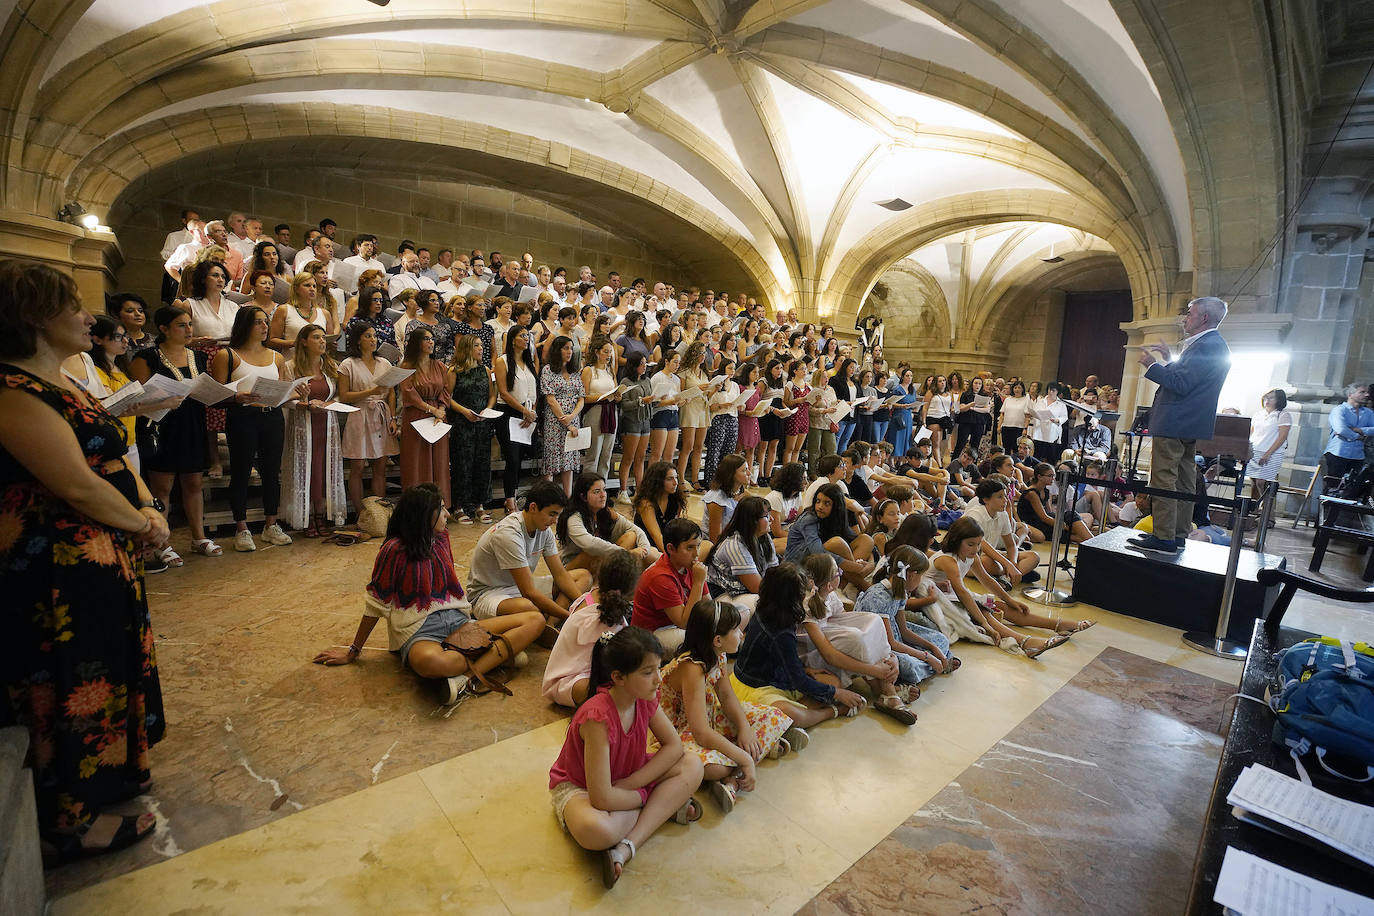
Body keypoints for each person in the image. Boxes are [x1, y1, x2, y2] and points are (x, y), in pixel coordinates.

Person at [0, 260, 168, 863]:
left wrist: (147, 504)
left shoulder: (64, 379)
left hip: (101, 548)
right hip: (54, 562)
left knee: (106, 658)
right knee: (72, 674)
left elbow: (114, 456)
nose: (87, 315)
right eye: (72, 305)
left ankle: (112, 774)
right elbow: (73, 482)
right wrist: (142, 522)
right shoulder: (13, 391)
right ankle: (68, 819)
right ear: (34, 317)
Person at [314, 484, 543, 704]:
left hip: (458, 622)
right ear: (423, 515)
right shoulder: (393, 549)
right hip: (419, 630)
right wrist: (353, 651)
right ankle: (496, 654)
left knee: (535, 620)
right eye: (441, 509)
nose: (447, 514)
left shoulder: (442, 537)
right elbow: (376, 603)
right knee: (433, 663)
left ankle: (465, 678)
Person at [547, 627, 703, 889]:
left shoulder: (644, 697)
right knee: (598, 831)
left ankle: (627, 846)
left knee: (693, 764)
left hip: (626, 778)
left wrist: (632, 784)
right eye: (647, 672)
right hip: (582, 788)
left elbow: (674, 747)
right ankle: (660, 808)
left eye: (658, 668)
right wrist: (643, 795)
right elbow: (601, 798)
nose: (658, 679)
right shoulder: (597, 717)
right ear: (618, 677)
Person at [655, 599, 794, 814]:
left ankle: (734, 774)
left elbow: (727, 697)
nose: (741, 634)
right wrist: (744, 759)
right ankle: (745, 762)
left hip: (710, 717)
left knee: (774, 715)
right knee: (715, 768)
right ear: (717, 640)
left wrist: (745, 728)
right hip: (679, 732)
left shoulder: (718, 654)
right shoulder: (692, 668)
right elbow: (700, 732)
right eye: (736, 630)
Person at [1132, 296, 1231, 554]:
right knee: (1184, 481)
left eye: (1190, 314)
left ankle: (1163, 536)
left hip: (1174, 422)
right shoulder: (1213, 344)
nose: (1185, 319)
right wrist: (1168, 360)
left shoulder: (1205, 345)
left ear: (1204, 318)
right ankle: (1177, 534)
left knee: (1164, 479)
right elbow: (1188, 378)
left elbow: (1181, 384)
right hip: (1188, 423)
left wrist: (1153, 366)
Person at [128, 305, 218, 563]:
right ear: (164, 329)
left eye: (190, 324)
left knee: (193, 482)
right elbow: (138, 397)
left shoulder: (197, 356)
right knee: (162, 486)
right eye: (181, 325)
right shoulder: (147, 357)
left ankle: (199, 537)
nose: (188, 329)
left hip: (192, 422)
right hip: (162, 425)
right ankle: (162, 543)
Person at [730, 564, 866, 734]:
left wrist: (806, 670)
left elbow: (784, 663)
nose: (812, 591)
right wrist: (838, 694)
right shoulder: (781, 630)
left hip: (776, 677)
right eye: (806, 591)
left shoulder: (768, 608)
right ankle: (831, 712)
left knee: (833, 682)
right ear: (793, 598)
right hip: (757, 687)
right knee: (796, 712)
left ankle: (790, 723)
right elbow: (799, 681)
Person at [931, 517, 1088, 656]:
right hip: (935, 597)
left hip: (949, 594)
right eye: (970, 544)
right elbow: (962, 592)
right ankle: (1025, 642)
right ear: (956, 541)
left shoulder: (971, 556)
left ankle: (1057, 625)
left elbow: (987, 580)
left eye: (978, 544)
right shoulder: (948, 560)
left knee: (1001, 607)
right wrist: (984, 623)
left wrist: (1010, 600)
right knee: (985, 612)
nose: (975, 549)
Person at [211, 306, 296, 551]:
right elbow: (215, 396)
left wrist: (296, 391)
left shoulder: (276, 357)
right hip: (242, 417)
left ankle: (271, 524)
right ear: (245, 325)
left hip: (272, 416)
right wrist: (235, 397)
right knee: (241, 472)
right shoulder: (227, 355)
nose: (264, 326)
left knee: (271, 472)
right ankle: (241, 527)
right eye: (258, 322)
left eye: (266, 321)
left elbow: (282, 391)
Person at [802, 553, 918, 724]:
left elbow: (850, 621)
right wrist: (875, 670)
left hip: (829, 644)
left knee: (873, 620)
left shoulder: (830, 595)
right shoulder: (807, 605)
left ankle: (885, 688)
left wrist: (890, 656)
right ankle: (886, 690)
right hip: (812, 655)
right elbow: (829, 655)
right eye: (839, 572)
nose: (842, 573)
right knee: (855, 638)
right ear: (828, 584)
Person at [466, 481, 592, 628]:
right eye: (552, 514)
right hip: (489, 594)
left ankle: (550, 626)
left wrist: (589, 606)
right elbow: (528, 592)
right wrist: (572, 616)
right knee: (528, 607)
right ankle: (552, 622)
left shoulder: (544, 530)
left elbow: (560, 575)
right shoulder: (509, 533)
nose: (555, 521)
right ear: (533, 507)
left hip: (518, 587)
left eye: (558, 515)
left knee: (583, 577)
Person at [543, 549, 638, 708]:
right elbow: (611, 660)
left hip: (584, 674)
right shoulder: (602, 617)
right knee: (625, 686)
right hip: (565, 683)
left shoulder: (592, 597)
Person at [282, 324, 346, 536]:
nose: (322, 341)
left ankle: (321, 514)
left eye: (323, 338)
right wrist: (304, 404)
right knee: (308, 470)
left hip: (327, 425)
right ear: (303, 341)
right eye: (316, 337)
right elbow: (284, 399)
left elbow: (340, 394)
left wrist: (329, 403)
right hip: (303, 425)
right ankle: (306, 516)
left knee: (324, 470)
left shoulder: (330, 366)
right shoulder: (291, 367)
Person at [337, 322, 400, 520]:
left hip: (381, 414)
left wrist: (392, 417)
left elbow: (391, 393)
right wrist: (371, 391)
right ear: (358, 340)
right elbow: (344, 396)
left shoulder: (384, 363)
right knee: (357, 467)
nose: (373, 340)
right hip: (359, 413)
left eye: (374, 335)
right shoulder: (348, 364)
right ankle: (360, 513)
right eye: (368, 336)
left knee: (380, 466)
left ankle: (379, 514)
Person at [632, 518, 708, 655]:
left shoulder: (691, 565)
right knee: (701, 640)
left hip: (676, 626)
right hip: (651, 635)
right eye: (690, 547)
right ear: (671, 548)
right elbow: (684, 622)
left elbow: (709, 606)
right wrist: (698, 583)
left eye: (698, 546)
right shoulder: (660, 577)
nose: (697, 554)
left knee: (736, 615)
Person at [557, 473, 658, 573]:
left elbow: (635, 529)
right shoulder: (574, 518)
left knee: (633, 538)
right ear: (583, 497)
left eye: (604, 489)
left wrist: (644, 548)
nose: (603, 495)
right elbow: (590, 545)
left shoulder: (606, 512)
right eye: (596, 492)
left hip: (601, 562)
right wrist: (627, 553)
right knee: (592, 553)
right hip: (572, 569)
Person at [785, 483, 875, 591]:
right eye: (818, 501)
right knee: (837, 543)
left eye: (826, 503)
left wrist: (870, 563)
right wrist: (857, 567)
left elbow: (854, 537)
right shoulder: (809, 519)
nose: (820, 506)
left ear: (836, 506)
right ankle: (864, 586)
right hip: (798, 565)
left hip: (825, 563)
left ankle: (846, 585)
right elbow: (817, 551)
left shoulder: (836, 517)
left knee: (866, 540)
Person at [446, 333, 496, 525]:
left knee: (482, 464)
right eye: (476, 345)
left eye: (481, 345)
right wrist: (465, 411)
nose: (481, 348)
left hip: (482, 423)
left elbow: (492, 395)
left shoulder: (485, 370)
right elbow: (447, 398)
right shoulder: (454, 371)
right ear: (467, 348)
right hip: (462, 423)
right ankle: (459, 506)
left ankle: (479, 505)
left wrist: (487, 409)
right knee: (462, 465)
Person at [493, 325, 540, 514]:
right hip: (508, 413)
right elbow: (503, 392)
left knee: (519, 458)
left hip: (528, 413)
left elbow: (534, 390)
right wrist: (524, 411)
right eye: (522, 336)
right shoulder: (502, 361)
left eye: (527, 336)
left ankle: (514, 495)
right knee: (511, 457)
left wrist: (531, 412)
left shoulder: (529, 362)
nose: (526, 339)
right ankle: (509, 500)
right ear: (512, 340)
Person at [963, 478, 1041, 585]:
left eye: (1005, 496)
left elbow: (1011, 545)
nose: (1005, 500)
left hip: (992, 556)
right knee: (987, 562)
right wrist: (1008, 564)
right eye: (1000, 497)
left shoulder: (1002, 514)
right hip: (970, 558)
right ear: (986, 499)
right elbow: (983, 546)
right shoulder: (975, 515)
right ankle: (1013, 574)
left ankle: (1006, 578)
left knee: (1034, 557)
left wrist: (1013, 563)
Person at [1242, 388, 1293, 505]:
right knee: (1254, 482)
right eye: (1266, 397)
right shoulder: (1258, 414)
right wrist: (1245, 449)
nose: (1267, 400)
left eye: (1271, 398)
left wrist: (1268, 453)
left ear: (1279, 399)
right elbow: (1251, 433)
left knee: (1262, 482)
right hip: (1255, 451)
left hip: (1272, 453)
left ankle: (1267, 509)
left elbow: (1282, 436)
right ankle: (1255, 509)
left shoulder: (1283, 415)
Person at [582, 335, 620, 481]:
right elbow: (584, 397)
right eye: (605, 351)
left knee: (606, 454)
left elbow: (616, 391)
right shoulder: (589, 370)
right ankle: (588, 487)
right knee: (593, 453)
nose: (609, 355)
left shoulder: (610, 371)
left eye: (610, 352)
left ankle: (602, 486)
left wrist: (618, 396)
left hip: (611, 411)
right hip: (595, 411)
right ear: (597, 352)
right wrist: (604, 396)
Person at [616, 352, 653, 501]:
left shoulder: (647, 380)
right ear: (634, 365)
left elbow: (650, 398)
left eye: (645, 363)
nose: (644, 366)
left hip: (645, 420)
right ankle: (623, 490)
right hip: (631, 421)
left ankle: (640, 490)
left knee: (641, 457)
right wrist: (641, 401)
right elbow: (624, 405)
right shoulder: (625, 381)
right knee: (628, 457)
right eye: (641, 364)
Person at [1323, 383, 1373, 484]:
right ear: (1350, 394)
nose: (1367, 395)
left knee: (1352, 487)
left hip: (1357, 456)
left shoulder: (1368, 412)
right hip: (1338, 453)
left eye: (1367, 392)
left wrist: (1358, 429)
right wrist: (1357, 436)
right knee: (1334, 486)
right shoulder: (1339, 410)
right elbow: (1340, 429)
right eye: (1362, 392)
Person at [701, 453, 748, 544]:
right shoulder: (716, 499)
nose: (749, 473)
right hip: (716, 543)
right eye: (744, 470)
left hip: (733, 538)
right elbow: (715, 538)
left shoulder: (742, 493)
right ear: (731, 474)